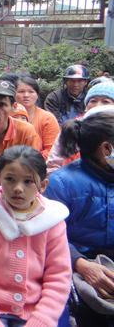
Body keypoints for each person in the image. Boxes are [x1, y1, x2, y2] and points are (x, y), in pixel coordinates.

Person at [0, 146, 72, 327]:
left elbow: (58, 276)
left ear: (43, 185)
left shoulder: (53, 220)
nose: (18, 188)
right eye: (10, 179)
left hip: (35, 311)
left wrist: (41, 321)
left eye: (28, 181)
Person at [43, 107, 114, 327]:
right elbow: (47, 236)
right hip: (75, 263)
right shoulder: (61, 183)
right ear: (106, 149)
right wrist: (81, 264)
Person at [46, 80, 114, 174]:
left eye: (105, 102)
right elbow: (53, 164)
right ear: (86, 106)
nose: (98, 105)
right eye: (93, 101)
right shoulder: (72, 127)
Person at [15, 76, 60, 159]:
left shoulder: (47, 118)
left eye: (31, 92)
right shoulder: (6, 116)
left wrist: (27, 161)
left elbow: (52, 150)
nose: (26, 95)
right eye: (21, 91)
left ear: (37, 95)